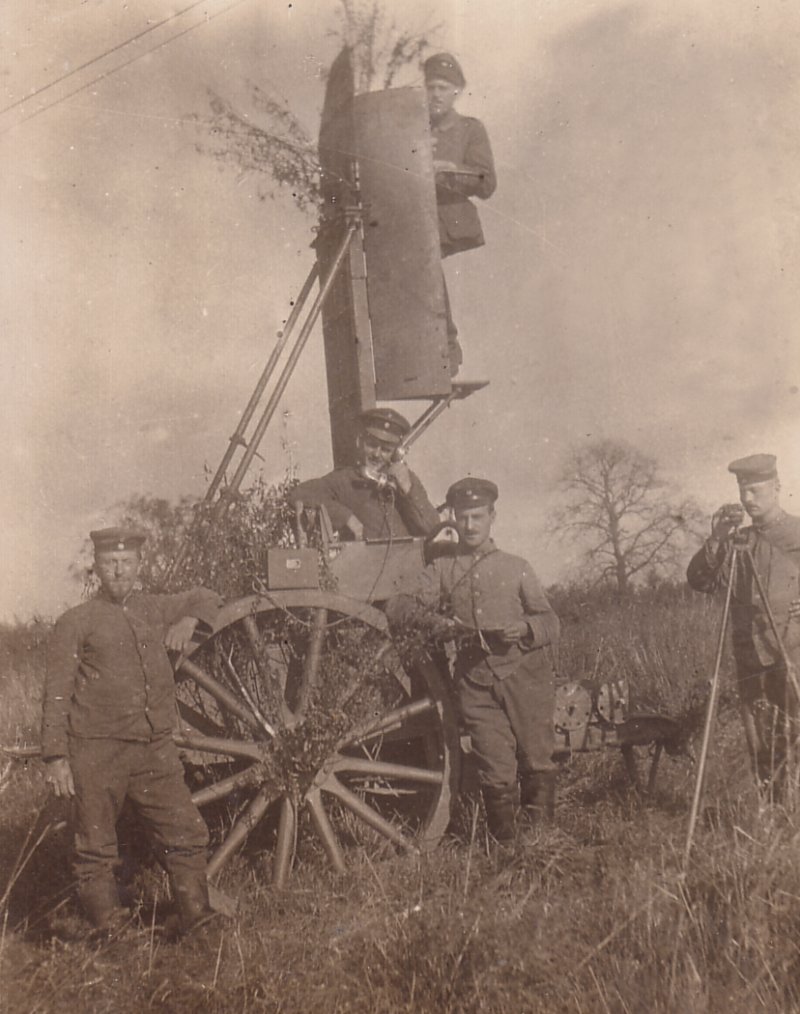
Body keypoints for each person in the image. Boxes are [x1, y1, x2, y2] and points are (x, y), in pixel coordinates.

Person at [42, 527, 223, 938]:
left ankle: (197, 919)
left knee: (186, 830)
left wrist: (190, 619)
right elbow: (55, 695)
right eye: (110, 563)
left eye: (126, 562)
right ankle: (113, 934)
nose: (119, 569)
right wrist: (55, 758)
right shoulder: (76, 622)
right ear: (97, 568)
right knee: (94, 846)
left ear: (139, 565)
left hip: (154, 750)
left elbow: (207, 595)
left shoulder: (154, 608)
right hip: (96, 752)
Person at [386, 478, 560, 842]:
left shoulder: (517, 567)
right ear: (454, 518)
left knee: (537, 758)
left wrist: (525, 628)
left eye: (477, 517)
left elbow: (550, 621)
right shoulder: (444, 570)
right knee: (495, 766)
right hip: (474, 683)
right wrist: (438, 624)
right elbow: (400, 605)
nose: (469, 526)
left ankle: (541, 843)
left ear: (492, 517)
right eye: (463, 518)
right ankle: (507, 850)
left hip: (524, 676)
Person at [686, 454, 800, 794]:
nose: (747, 500)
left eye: (755, 490)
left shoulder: (796, 532)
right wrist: (718, 538)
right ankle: (774, 816)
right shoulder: (739, 542)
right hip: (751, 659)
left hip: (793, 650)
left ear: (777, 487)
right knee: (761, 741)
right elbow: (700, 581)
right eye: (742, 491)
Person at [425, 52, 497, 375]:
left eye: (442, 87)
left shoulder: (470, 130)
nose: (435, 94)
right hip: (420, 227)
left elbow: (486, 182)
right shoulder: (412, 131)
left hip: (454, 232)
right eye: (430, 87)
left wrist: (452, 171)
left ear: (456, 92)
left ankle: (448, 351)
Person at [290, 407, 440, 541]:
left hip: (408, 566)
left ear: (396, 454)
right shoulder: (345, 480)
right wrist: (345, 517)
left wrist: (408, 491)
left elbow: (433, 529)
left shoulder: (408, 481)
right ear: (360, 443)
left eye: (386, 450)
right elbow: (300, 493)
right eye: (372, 445)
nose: (376, 454)